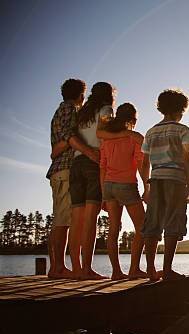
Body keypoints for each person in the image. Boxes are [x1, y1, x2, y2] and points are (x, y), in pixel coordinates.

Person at [47, 78, 99, 279]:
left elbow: (60, 144)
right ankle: (58, 268)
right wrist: (89, 152)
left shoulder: (62, 110)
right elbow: (68, 137)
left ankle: (58, 267)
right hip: (65, 169)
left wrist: (57, 150)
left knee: (63, 220)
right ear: (80, 95)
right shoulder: (68, 108)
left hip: (61, 169)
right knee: (62, 220)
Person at [141, 89, 189, 281]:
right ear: (180, 109)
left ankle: (150, 271)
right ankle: (168, 270)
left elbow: (144, 163)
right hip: (176, 179)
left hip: (155, 180)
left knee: (153, 222)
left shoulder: (151, 132)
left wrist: (145, 187)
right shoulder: (182, 130)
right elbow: (187, 159)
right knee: (174, 220)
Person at [97, 103, 149, 280]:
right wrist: (146, 187)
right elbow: (141, 165)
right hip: (126, 185)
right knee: (143, 227)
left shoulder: (107, 138)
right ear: (132, 119)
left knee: (113, 229)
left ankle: (116, 272)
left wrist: (104, 193)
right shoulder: (133, 138)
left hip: (109, 186)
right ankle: (134, 269)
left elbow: (102, 167)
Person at [69, 82, 115, 280]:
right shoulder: (106, 109)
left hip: (76, 164)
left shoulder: (82, 114)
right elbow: (102, 135)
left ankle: (77, 269)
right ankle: (87, 269)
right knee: (90, 220)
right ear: (108, 95)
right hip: (93, 163)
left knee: (76, 221)